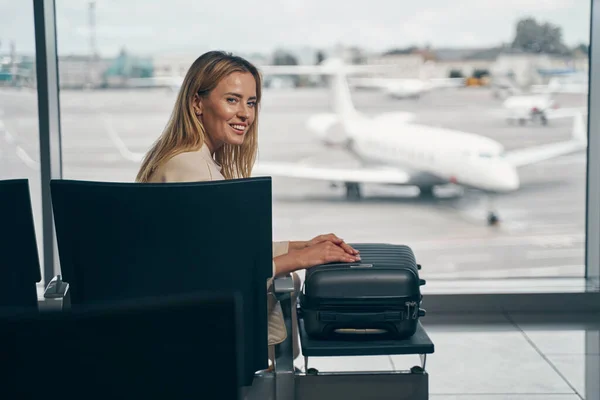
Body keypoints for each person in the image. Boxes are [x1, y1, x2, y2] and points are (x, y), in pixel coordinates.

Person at [135, 50, 360, 367]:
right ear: (197, 103)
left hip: (182, 324)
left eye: (251, 103)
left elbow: (217, 250)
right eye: (232, 100)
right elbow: (213, 272)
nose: (245, 114)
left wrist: (303, 245)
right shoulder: (190, 168)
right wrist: (300, 259)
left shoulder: (189, 158)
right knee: (289, 284)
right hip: (198, 336)